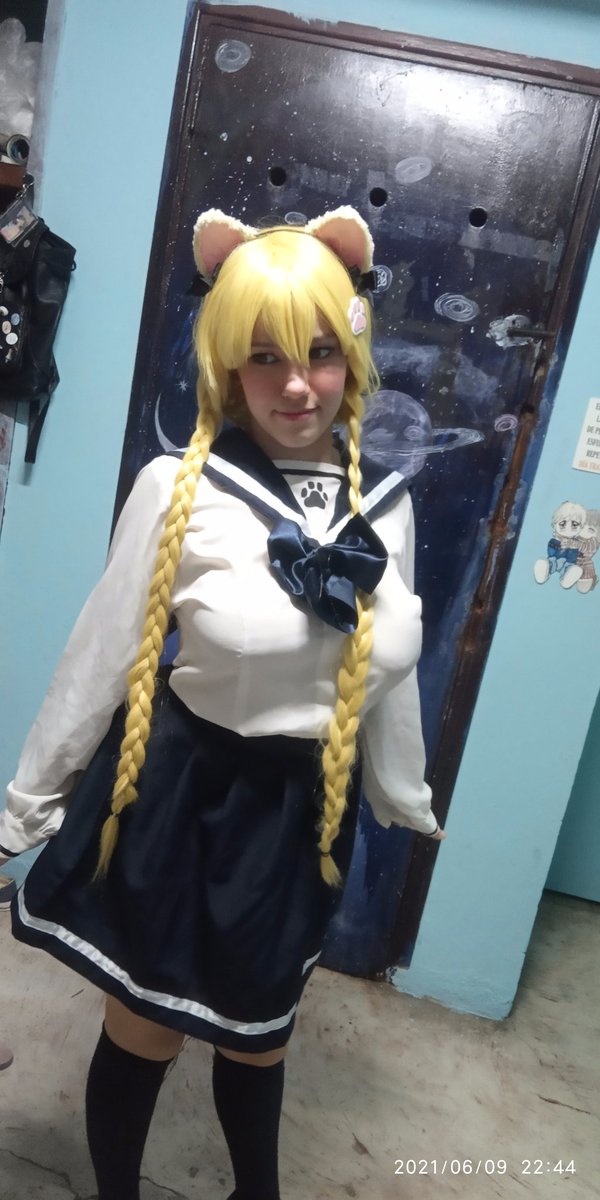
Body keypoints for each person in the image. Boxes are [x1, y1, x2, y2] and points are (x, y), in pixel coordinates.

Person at [0, 206, 445, 1200]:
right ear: (227, 367)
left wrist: (400, 790)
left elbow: (390, 669)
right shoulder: (178, 486)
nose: (296, 386)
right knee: (146, 1028)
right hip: (179, 798)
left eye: (319, 352)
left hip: (302, 816)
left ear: (351, 354)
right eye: (264, 357)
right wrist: (26, 806)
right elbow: (99, 657)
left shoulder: (390, 503)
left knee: (258, 1035)